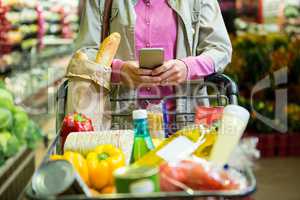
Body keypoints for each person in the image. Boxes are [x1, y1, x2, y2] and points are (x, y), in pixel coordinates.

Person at [76, 0, 232, 111]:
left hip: (184, 118)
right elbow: (84, 53)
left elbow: (220, 49)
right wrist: (118, 70)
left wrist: (188, 67)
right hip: (120, 118)